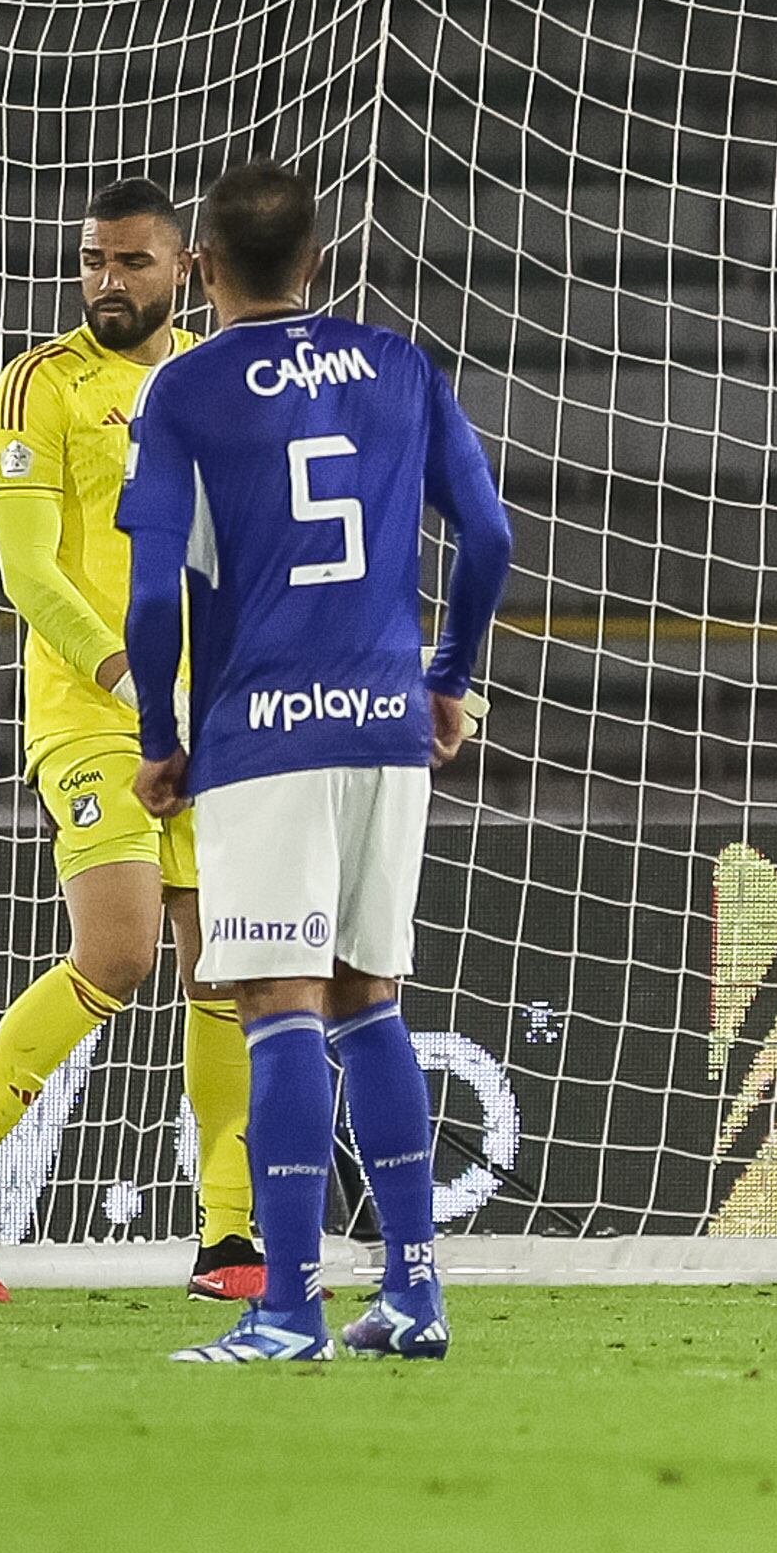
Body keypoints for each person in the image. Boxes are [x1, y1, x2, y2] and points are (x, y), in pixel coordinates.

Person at [115, 162, 513, 1363]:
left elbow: (149, 597)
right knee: (368, 998)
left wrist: (158, 743)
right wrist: (447, 679)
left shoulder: (183, 388)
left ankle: (287, 1305)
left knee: (278, 1001)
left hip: (267, 730)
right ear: (319, 261)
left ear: (200, 269)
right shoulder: (399, 366)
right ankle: (413, 1292)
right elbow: (487, 534)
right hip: (388, 725)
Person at [0, 181, 264, 1307]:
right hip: (97, 710)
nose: (106, 281)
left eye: (131, 263)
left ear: (184, 268)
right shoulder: (37, 385)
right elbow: (28, 571)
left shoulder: (213, 379)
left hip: (212, 716)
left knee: (227, 968)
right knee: (121, 952)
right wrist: (131, 677)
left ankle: (229, 1240)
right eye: (93, 260)